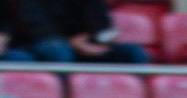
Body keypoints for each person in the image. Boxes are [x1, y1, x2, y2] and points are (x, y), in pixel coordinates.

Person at [13, 0, 149, 63]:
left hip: (86, 44)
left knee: (134, 53)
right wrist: (70, 42)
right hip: (45, 43)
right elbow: (34, 27)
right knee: (58, 51)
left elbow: (101, 22)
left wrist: (100, 39)